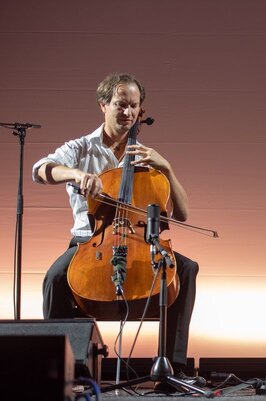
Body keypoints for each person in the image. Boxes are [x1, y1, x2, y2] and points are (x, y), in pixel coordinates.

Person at [32, 73, 204, 392]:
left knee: (186, 269)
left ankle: (172, 369)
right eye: (120, 104)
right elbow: (40, 170)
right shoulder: (81, 147)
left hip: (140, 242)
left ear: (141, 112)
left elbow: (181, 213)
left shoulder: (147, 158)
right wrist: (77, 174)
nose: (127, 112)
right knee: (55, 277)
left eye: (133, 106)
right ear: (104, 105)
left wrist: (167, 168)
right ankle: (65, 370)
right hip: (91, 241)